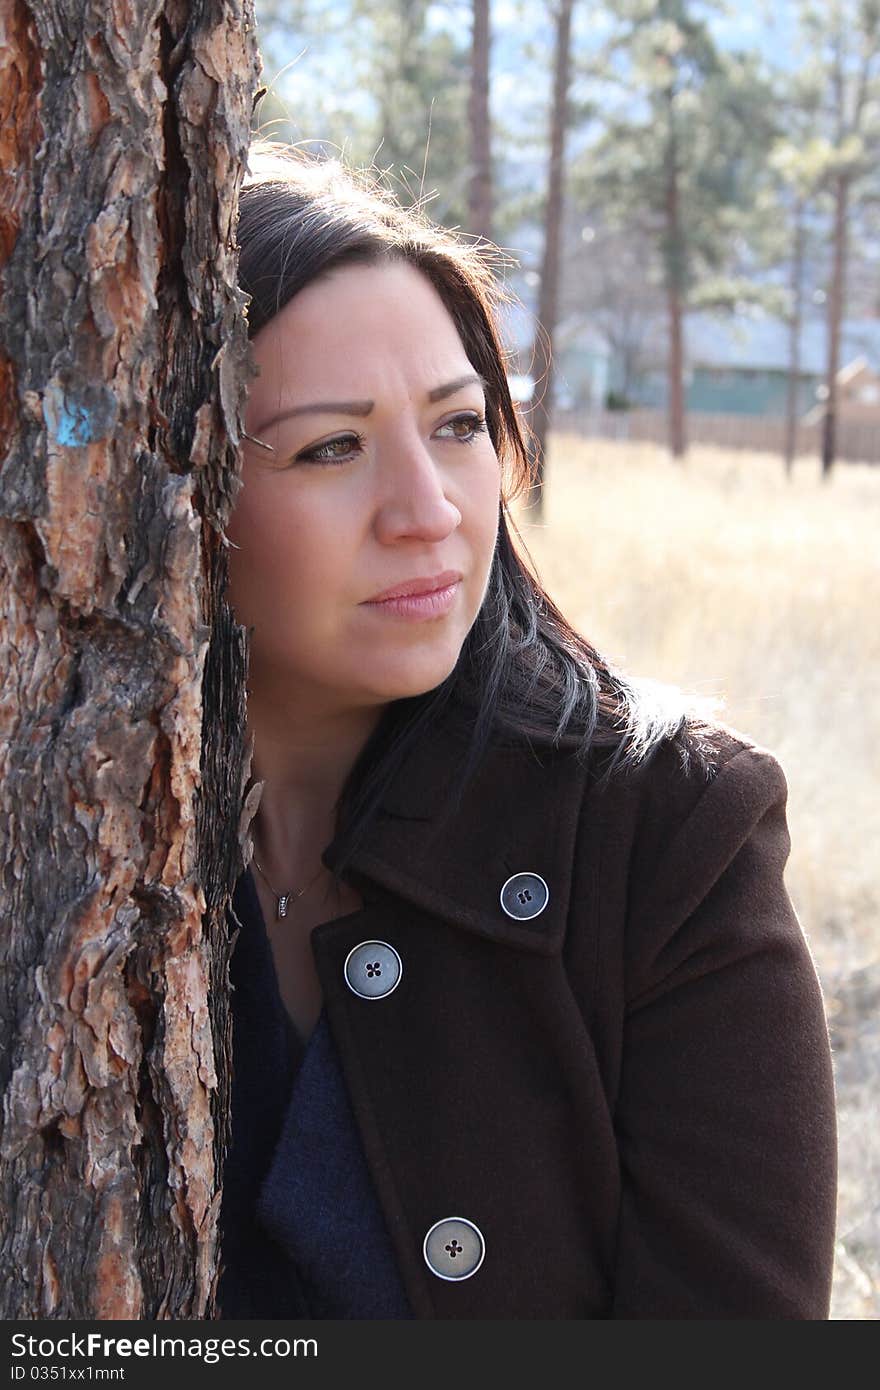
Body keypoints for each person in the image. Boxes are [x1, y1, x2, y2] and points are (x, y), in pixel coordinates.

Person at [215, 138, 838, 1320]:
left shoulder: (668, 835)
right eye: (330, 447)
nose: (430, 511)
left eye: (457, 427)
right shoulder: (69, 854)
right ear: (174, 485)